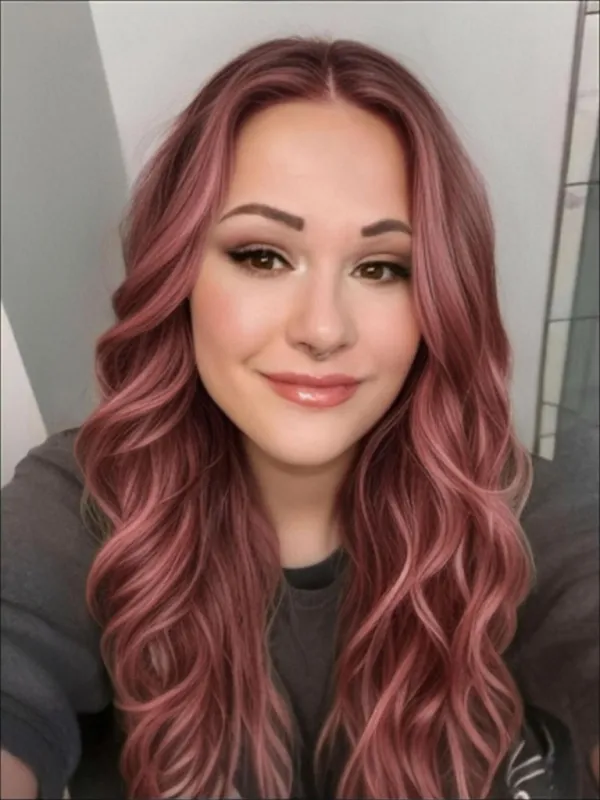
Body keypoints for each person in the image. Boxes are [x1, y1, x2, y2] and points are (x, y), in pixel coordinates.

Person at [1, 36, 598, 800]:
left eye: (381, 268)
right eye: (262, 255)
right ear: (177, 274)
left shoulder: (526, 513)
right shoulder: (78, 506)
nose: (322, 329)